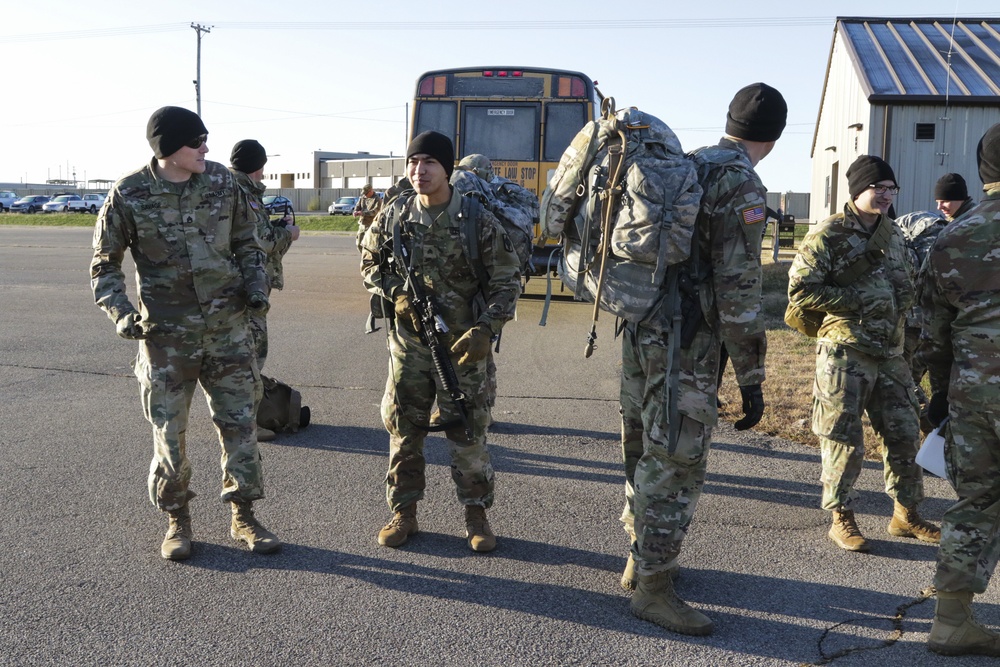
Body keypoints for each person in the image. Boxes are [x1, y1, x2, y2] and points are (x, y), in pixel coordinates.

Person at [619, 83, 785, 636]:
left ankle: (639, 557)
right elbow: (739, 288)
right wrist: (752, 374)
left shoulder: (688, 164)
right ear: (774, 137)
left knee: (643, 444)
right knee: (677, 460)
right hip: (686, 343)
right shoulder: (741, 182)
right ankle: (654, 589)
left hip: (643, 327)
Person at [90, 106, 280, 561]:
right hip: (166, 339)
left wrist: (256, 288)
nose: (206, 149)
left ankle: (244, 515)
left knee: (239, 425)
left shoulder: (222, 182)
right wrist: (121, 314)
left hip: (228, 330)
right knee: (169, 433)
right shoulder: (129, 194)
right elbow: (104, 265)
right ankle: (177, 517)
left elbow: (249, 242)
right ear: (168, 147)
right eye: (196, 142)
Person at [359, 131, 521, 553]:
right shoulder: (394, 215)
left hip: (462, 349)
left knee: (467, 435)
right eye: (413, 162)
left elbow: (507, 279)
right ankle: (404, 513)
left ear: (446, 168)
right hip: (408, 348)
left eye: (429, 162)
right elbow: (369, 261)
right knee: (404, 433)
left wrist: (486, 329)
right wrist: (395, 294)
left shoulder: (475, 219)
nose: (419, 171)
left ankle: (476, 515)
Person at [787, 154, 940, 554]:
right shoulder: (828, 234)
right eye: (879, 188)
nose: (887, 195)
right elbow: (801, 291)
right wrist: (855, 299)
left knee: (905, 435)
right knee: (843, 438)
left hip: (890, 353)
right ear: (858, 190)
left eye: (892, 189)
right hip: (846, 350)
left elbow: (906, 288)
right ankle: (841, 517)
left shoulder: (895, 235)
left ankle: (906, 513)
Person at [920, 123, 1000, 657]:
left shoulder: (953, 236)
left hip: (975, 392)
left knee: (977, 502)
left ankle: (951, 622)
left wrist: (940, 394)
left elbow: (931, 332)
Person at [353, 183, 382, 251]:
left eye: (366, 193)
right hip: (362, 224)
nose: (365, 195)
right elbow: (357, 206)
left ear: (371, 191)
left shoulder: (377, 199)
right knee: (359, 244)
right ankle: (364, 257)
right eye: (364, 193)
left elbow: (375, 212)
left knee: (369, 245)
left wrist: (363, 213)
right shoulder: (363, 197)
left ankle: (368, 259)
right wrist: (355, 211)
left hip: (371, 224)